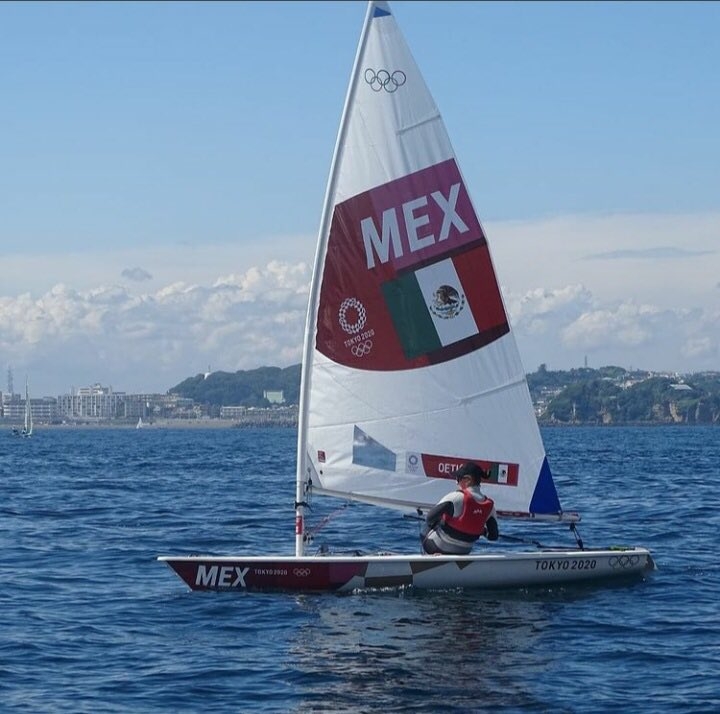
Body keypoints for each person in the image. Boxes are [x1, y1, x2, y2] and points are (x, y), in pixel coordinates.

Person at [421, 462, 499, 555]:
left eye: (458, 478)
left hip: (438, 547)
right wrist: (482, 531)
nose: (456, 482)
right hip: (464, 551)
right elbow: (493, 536)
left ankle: (429, 559)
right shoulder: (490, 506)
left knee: (426, 526)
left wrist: (440, 522)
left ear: (468, 479)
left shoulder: (456, 497)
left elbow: (429, 518)